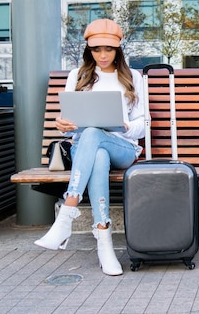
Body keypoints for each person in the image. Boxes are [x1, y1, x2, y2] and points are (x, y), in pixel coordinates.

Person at [34, 18, 145, 276]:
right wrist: (63, 125)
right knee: (97, 150)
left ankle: (67, 213)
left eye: (108, 49)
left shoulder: (133, 77)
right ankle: (104, 244)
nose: (103, 55)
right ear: (89, 50)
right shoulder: (77, 76)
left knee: (96, 134)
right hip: (87, 148)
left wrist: (125, 126)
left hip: (124, 148)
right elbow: (73, 125)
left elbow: (143, 124)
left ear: (118, 49)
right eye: (97, 49)